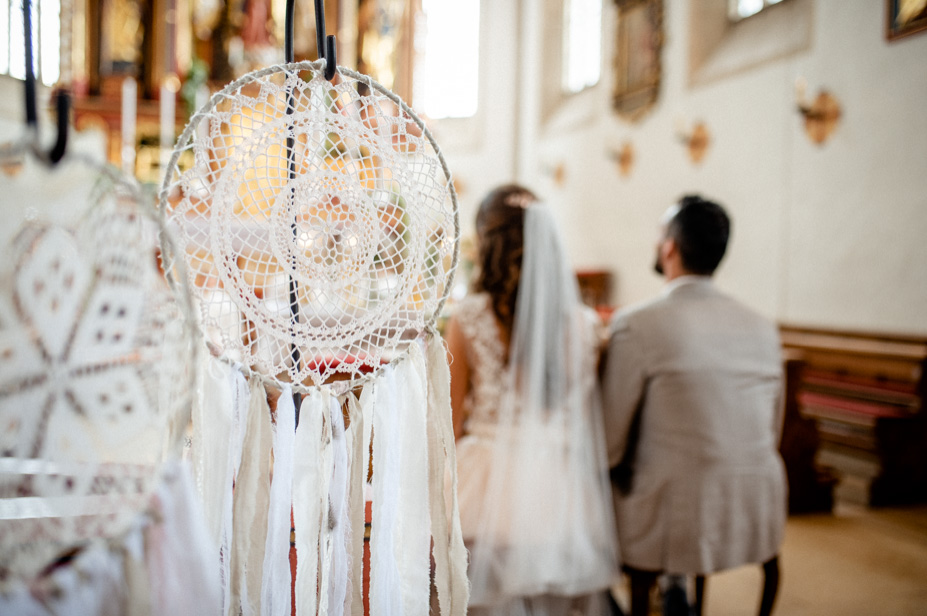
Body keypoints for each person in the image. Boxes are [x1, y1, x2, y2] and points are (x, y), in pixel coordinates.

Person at [601, 195, 786, 616]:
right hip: (755, 496)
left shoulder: (637, 323)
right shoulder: (763, 326)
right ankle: (675, 587)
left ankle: (651, 585)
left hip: (676, 506)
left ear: (669, 247)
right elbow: (771, 428)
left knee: (603, 472)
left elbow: (610, 439)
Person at [444, 184, 619, 616]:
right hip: (559, 489)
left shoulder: (468, 319)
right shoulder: (585, 325)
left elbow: (447, 425)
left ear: (487, 243)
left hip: (483, 487)